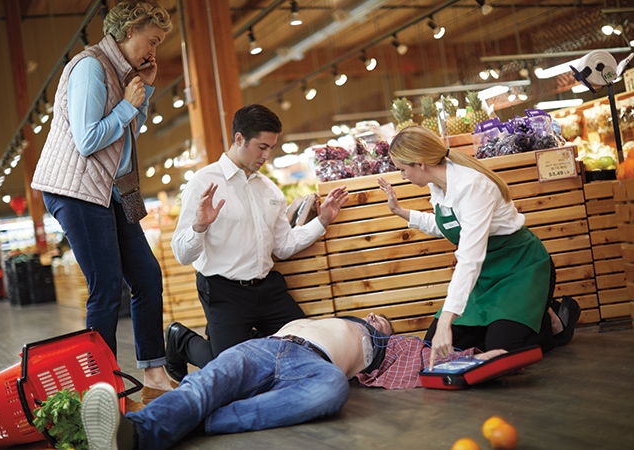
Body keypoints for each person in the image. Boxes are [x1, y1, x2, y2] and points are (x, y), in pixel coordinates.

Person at [80, 313, 506, 449]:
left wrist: (481, 357)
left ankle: (183, 424)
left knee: (333, 390)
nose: (378, 318)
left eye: (384, 322)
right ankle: (137, 435)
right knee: (205, 385)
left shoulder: (388, 347)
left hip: (313, 365)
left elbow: (436, 359)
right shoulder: (334, 316)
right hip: (267, 346)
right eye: (376, 315)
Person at [31, 1, 174, 400]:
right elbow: (88, 139)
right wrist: (130, 101)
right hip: (75, 190)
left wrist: (141, 94)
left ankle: (154, 375)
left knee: (146, 277)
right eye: (152, 40)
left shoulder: (123, 74)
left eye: (159, 44)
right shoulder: (91, 67)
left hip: (110, 190)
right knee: (106, 286)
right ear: (129, 31)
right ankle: (100, 387)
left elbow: (128, 132)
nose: (154, 51)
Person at [376, 126, 581, 370]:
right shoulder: (438, 184)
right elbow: (450, 226)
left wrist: (445, 323)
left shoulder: (471, 186)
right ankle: (536, 313)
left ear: (420, 164)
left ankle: (554, 323)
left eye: (402, 169)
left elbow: (469, 258)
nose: (401, 176)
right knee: (434, 348)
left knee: (498, 354)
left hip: (521, 270)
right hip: (485, 276)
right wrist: (401, 212)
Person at [168, 104, 349, 376]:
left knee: (311, 349)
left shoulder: (270, 191)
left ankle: (235, 339)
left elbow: (284, 247)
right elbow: (182, 255)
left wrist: (321, 221)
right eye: (261, 146)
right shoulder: (202, 183)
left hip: (268, 290)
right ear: (239, 139)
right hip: (223, 292)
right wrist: (199, 226)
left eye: (271, 148)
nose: (266, 155)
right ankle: (179, 339)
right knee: (233, 373)